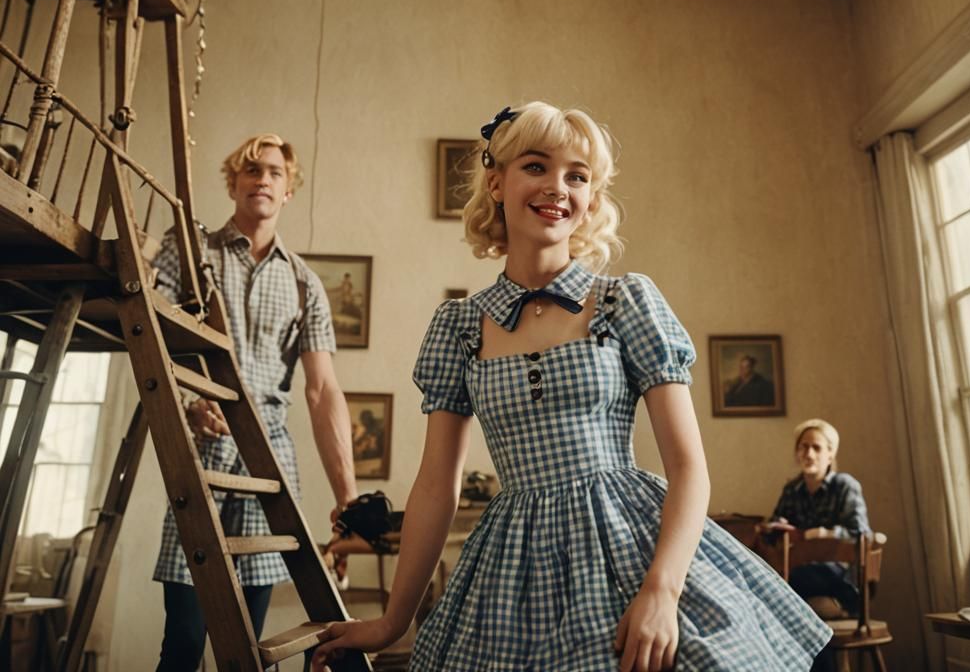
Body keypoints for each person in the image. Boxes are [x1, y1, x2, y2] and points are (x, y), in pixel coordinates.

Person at [314, 102, 830, 671]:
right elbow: (437, 485)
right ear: (497, 182)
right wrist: (393, 622)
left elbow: (688, 468)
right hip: (512, 574)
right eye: (536, 166)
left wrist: (662, 590)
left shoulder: (625, 301)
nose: (558, 187)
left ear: (591, 199)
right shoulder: (458, 326)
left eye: (577, 176)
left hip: (633, 547)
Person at [151, 133, 358, 671]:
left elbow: (322, 389)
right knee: (185, 642)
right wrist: (190, 402)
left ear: (288, 190)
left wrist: (349, 498)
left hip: (270, 471)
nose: (261, 178)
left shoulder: (305, 282)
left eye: (273, 172)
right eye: (250, 170)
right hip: (201, 461)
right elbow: (152, 338)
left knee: (248, 649)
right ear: (234, 183)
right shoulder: (191, 251)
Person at [761, 419, 871, 618]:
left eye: (816, 448)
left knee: (786, 585)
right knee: (770, 580)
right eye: (803, 447)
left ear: (830, 454)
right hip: (800, 574)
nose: (809, 454)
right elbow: (772, 529)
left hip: (840, 577)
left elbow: (860, 535)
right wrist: (775, 529)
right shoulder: (792, 490)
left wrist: (821, 534)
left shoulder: (844, 486)